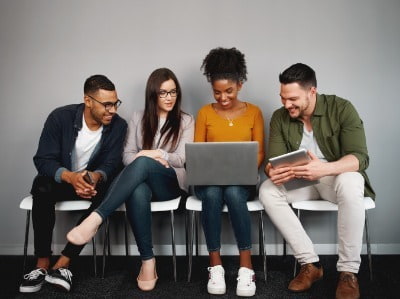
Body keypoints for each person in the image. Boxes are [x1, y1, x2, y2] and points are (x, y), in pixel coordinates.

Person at [66, 68, 194, 291]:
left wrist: (153, 154)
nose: (169, 97)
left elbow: (182, 159)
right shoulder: (138, 117)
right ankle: (147, 261)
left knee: (144, 161)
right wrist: (146, 157)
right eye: (163, 93)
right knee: (138, 189)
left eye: (173, 92)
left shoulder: (186, 120)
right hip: (142, 182)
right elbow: (126, 156)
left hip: (171, 183)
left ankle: (95, 218)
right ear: (153, 94)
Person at [259, 63, 375, 299]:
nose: (286, 104)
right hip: (301, 182)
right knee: (268, 190)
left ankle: (348, 272)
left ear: (312, 91)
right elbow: (274, 161)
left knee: (353, 180)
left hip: (335, 180)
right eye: (283, 98)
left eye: (292, 99)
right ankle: (310, 264)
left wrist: (324, 169)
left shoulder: (342, 108)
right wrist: (273, 170)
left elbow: (360, 158)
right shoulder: (280, 117)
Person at [19, 75, 128, 293]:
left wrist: (94, 177)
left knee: (109, 191)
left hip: (91, 184)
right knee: (41, 185)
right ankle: (42, 264)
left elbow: (112, 163)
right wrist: (71, 177)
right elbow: (43, 159)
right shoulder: (60, 117)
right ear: (88, 101)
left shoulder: (118, 126)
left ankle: (64, 263)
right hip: (62, 181)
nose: (113, 110)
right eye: (106, 104)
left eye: (115, 103)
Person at [194, 47, 265, 297]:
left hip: (241, 180)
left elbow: (259, 153)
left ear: (240, 85)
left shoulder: (254, 112)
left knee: (234, 193)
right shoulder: (204, 113)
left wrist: (243, 170)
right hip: (209, 181)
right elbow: (198, 153)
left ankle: (247, 266)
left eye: (229, 91)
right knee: (213, 193)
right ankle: (216, 265)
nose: (222, 97)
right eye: (217, 92)